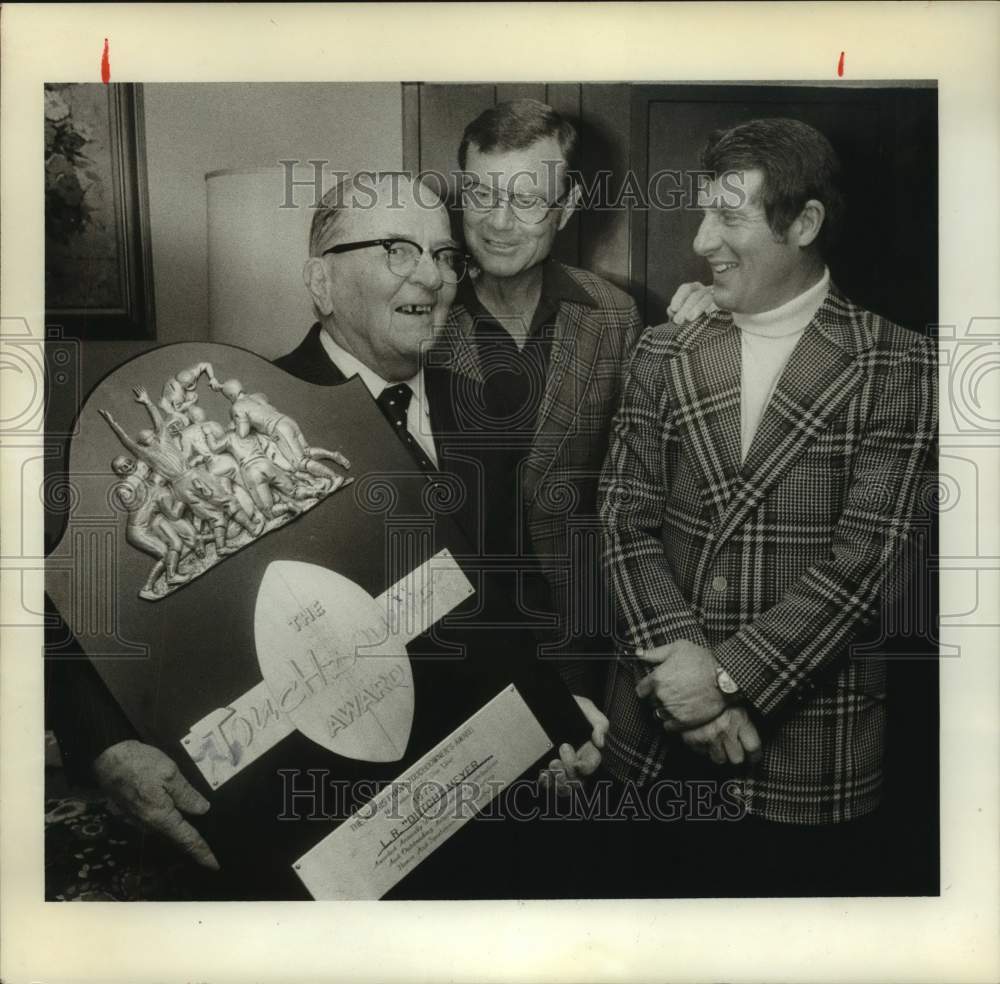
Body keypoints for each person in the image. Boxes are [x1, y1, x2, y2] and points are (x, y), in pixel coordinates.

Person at [48, 172, 605, 890]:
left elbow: (526, 589)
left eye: (444, 255)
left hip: (486, 814)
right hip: (315, 844)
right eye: (398, 250)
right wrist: (106, 746)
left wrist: (564, 710)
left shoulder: (489, 412)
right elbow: (88, 603)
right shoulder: (240, 418)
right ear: (321, 281)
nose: (431, 277)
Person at [598, 117, 937, 895]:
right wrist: (689, 681)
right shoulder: (663, 349)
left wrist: (724, 680)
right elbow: (622, 518)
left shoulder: (901, 366)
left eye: (729, 215)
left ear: (805, 222)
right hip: (655, 732)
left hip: (811, 754)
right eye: (702, 211)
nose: (700, 240)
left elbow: (862, 568)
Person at [437, 98, 643, 720]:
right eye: (482, 194)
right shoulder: (421, 314)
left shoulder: (614, 317)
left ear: (568, 206)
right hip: (452, 646)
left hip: (580, 643)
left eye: (526, 200)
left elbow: (641, 486)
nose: (498, 222)